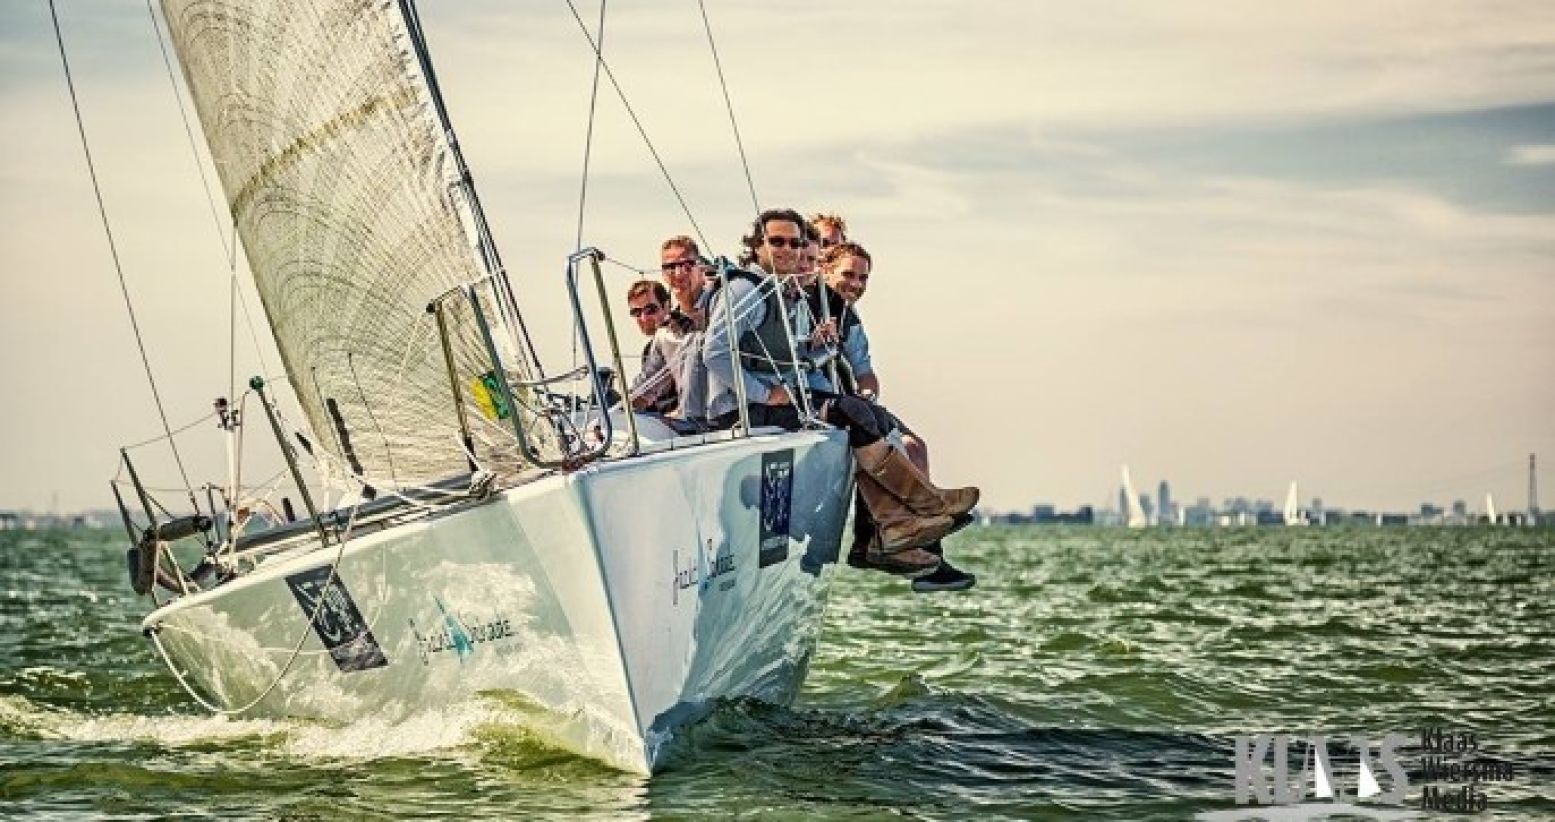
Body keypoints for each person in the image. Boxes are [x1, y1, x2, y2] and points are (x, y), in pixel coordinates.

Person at [703, 208, 978, 574]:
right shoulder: (745, 291)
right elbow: (715, 353)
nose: (789, 250)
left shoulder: (787, 295)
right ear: (756, 247)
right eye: (777, 241)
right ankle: (919, 511)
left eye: (796, 243)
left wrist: (815, 348)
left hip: (778, 398)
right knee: (854, 414)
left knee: (866, 414)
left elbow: (790, 357)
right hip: (739, 408)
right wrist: (764, 394)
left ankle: (900, 526)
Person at [818, 241, 977, 592]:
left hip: (854, 399)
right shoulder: (805, 305)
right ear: (822, 266)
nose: (856, 284)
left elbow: (865, 371)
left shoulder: (848, 317)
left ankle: (924, 549)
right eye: (848, 274)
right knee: (875, 443)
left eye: (863, 277)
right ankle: (899, 539)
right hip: (829, 403)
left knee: (914, 447)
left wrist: (868, 391)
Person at [625, 280, 678, 414]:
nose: (643, 318)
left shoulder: (676, 337)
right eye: (636, 313)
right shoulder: (648, 349)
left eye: (650, 310)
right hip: (661, 421)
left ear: (666, 306)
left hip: (686, 425)